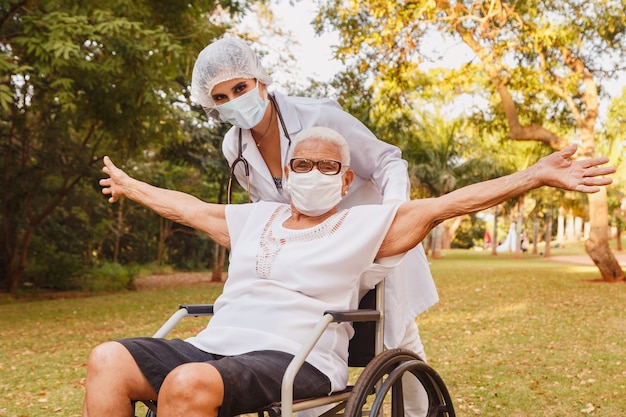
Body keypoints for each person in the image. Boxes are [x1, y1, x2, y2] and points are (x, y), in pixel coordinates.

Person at [86, 126, 614, 417]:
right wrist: (132, 187)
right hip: (215, 343)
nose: (312, 174)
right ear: (286, 172)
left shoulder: (366, 226)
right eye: (301, 164)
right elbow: (186, 206)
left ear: (345, 181)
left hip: (297, 355)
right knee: (107, 359)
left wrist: (535, 174)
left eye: (327, 166)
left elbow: (450, 204)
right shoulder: (255, 218)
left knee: (186, 383)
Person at [190, 35, 437, 416]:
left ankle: (421, 413)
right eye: (220, 98)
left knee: (396, 336)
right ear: (211, 105)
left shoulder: (320, 116)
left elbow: (388, 161)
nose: (234, 102)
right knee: (303, 334)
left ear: (260, 80)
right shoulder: (233, 147)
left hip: (363, 237)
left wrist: (390, 215)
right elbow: (267, 205)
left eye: (240, 88)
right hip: (308, 253)